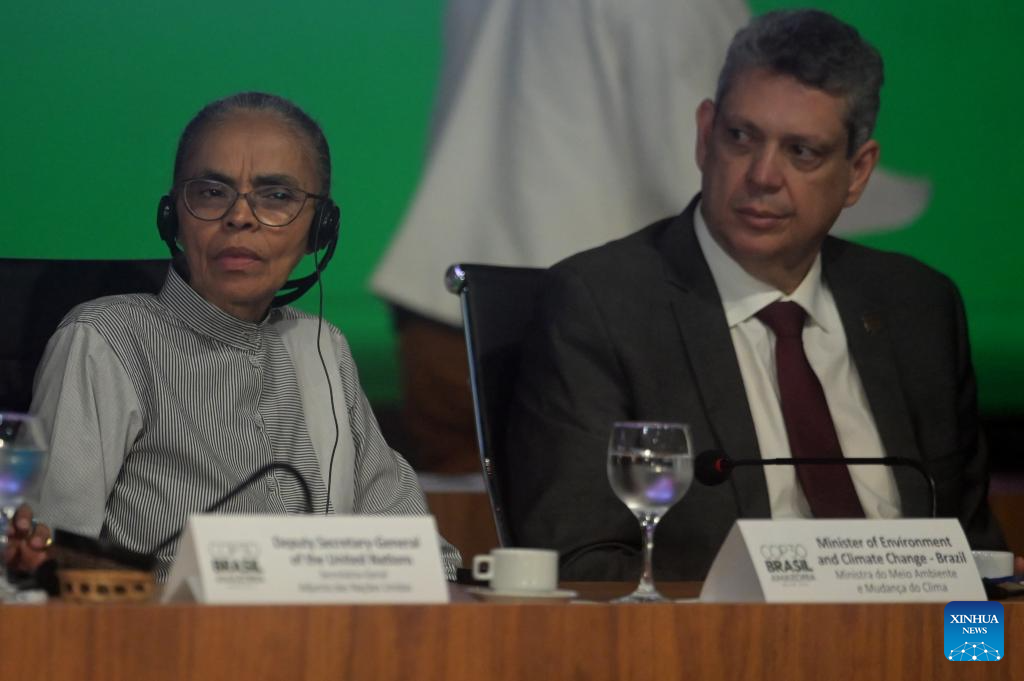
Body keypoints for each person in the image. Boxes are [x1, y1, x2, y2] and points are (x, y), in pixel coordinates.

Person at [504, 9, 1008, 581]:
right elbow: (582, 565)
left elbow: (979, 573)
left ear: (858, 173)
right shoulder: (603, 307)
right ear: (705, 136)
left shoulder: (919, 308)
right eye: (741, 137)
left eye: (802, 152)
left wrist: (982, 640)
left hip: (918, 639)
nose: (763, 176)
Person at [11, 92, 460, 580]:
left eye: (277, 196)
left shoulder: (321, 348)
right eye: (211, 192)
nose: (240, 217)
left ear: (320, 230)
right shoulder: (106, 342)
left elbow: (419, 555)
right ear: (173, 216)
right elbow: (53, 561)